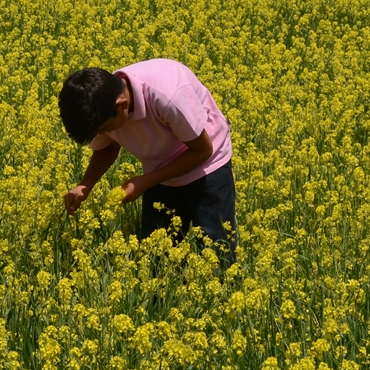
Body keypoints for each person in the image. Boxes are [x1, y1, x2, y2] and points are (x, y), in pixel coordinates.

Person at [59, 59, 237, 266]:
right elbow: (107, 146)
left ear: (122, 105)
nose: (102, 134)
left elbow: (202, 150)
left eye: (103, 129)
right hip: (159, 172)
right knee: (157, 260)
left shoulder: (168, 96)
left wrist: (144, 182)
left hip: (207, 167)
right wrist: (85, 185)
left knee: (218, 255)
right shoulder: (102, 105)